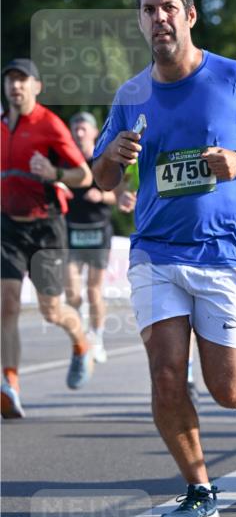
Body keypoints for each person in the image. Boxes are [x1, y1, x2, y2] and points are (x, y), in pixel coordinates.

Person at [92, 0, 236, 517]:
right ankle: (199, 490)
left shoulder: (231, 78)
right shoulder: (131, 95)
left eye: (167, 8)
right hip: (156, 252)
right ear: (141, 20)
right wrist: (115, 157)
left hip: (222, 252)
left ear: (189, 14)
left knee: (225, 384)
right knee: (164, 375)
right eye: (149, 10)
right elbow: (102, 179)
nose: (159, 19)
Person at [1, 59, 94, 418]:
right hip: (7, 226)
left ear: (37, 87)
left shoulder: (50, 125)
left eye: (23, 80)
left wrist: (53, 171)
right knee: (6, 304)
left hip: (46, 227)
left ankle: (80, 342)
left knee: (51, 309)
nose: (16, 87)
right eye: (10, 80)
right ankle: (9, 385)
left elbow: (84, 176)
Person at [65, 111, 136, 364]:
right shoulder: (64, 158)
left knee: (94, 290)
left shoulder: (102, 157)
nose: (79, 132)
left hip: (97, 229)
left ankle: (97, 337)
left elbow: (118, 195)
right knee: (72, 291)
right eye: (76, 128)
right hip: (71, 229)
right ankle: (81, 326)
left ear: (95, 133)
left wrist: (101, 196)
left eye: (84, 128)